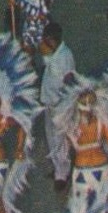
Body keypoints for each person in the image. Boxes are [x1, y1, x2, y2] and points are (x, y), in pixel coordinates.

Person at [37, 23, 76, 191]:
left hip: (59, 106)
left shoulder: (65, 58)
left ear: (52, 41)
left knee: (60, 140)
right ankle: (58, 167)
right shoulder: (54, 53)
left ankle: (62, 174)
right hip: (49, 103)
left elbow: (69, 83)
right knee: (51, 138)